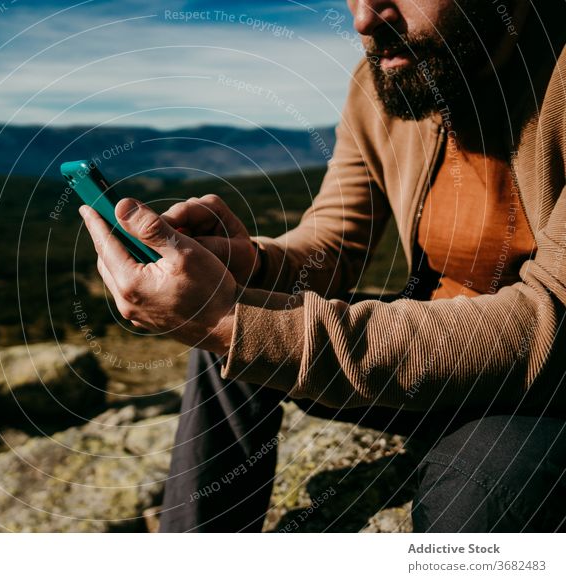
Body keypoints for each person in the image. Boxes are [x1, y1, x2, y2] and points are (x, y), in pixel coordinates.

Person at [79, 0, 566, 532]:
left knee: (484, 501)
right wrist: (251, 266)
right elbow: (333, 240)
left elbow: (548, 320)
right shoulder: (388, 76)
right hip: (426, 352)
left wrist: (228, 321)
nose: (364, 19)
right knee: (233, 330)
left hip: (544, 387)